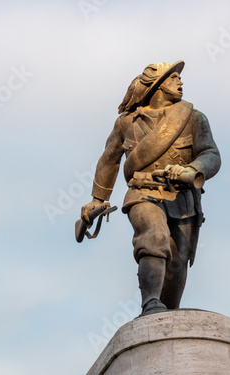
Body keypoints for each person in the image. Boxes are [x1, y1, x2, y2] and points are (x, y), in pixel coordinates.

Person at [81, 61, 221, 316]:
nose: (180, 82)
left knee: (177, 264)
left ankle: (165, 315)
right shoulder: (126, 123)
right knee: (154, 238)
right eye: (173, 78)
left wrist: (192, 170)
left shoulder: (194, 118)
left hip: (183, 197)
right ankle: (150, 303)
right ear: (156, 85)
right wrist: (96, 199)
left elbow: (210, 153)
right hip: (143, 192)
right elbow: (109, 159)